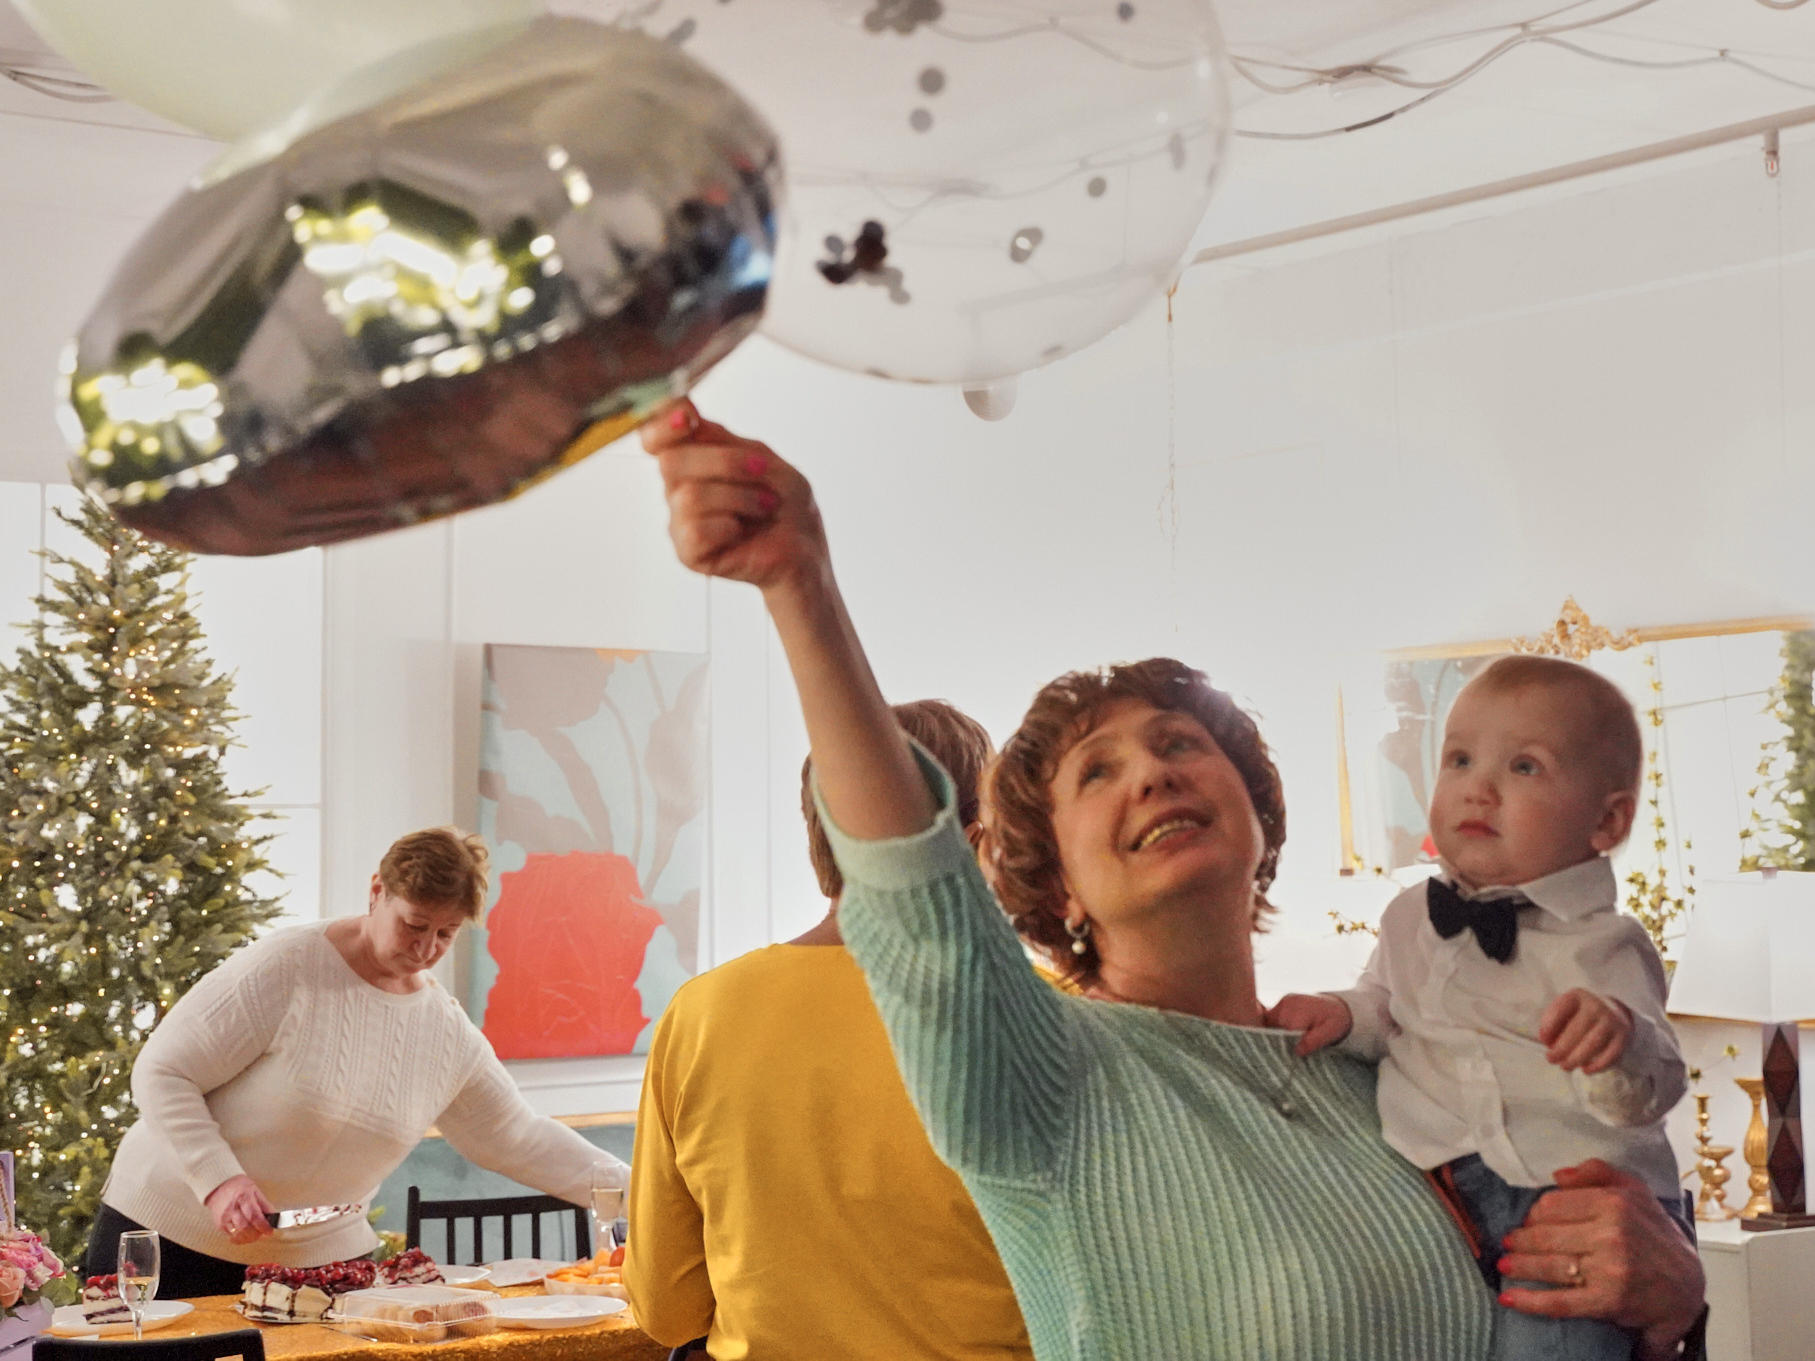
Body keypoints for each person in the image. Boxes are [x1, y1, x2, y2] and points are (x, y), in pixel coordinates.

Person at [642, 403, 1707, 1361]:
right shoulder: (1040, 1082)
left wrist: (1668, 1290)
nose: (1149, 770)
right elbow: (915, 895)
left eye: (1178, 742)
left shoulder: (1371, 1064)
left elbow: (1560, 1243)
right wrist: (801, 586)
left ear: (1254, 814)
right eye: (1096, 772)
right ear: (1055, 881)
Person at [1269, 654, 1689, 1360]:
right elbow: (1386, 1003)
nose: (1478, 789)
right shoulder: (1409, 918)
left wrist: (1618, 1043)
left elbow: (1657, 1084)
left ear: (1608, 820)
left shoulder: (1605, 944)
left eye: (1524, 767)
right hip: (1442, 1192)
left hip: (1571, 1210)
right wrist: (1343, 1014)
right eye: (1458, 760)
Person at [625, 700, 1034, 1361]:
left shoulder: (700, 1014)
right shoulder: (1042, 1014)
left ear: (819, 833)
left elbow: (666, 1309)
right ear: (977, 835)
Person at [87, 827, 629, 1293]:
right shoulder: (288, 967)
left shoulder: (445, 1032)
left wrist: (650, 1196)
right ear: (377, 893)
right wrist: (219, 1180)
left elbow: (520, 1137)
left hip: (321, 1264)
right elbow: (162, 1070)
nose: (426, 948)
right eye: (414, 925)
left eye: (446, 933)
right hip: (170, 1241)